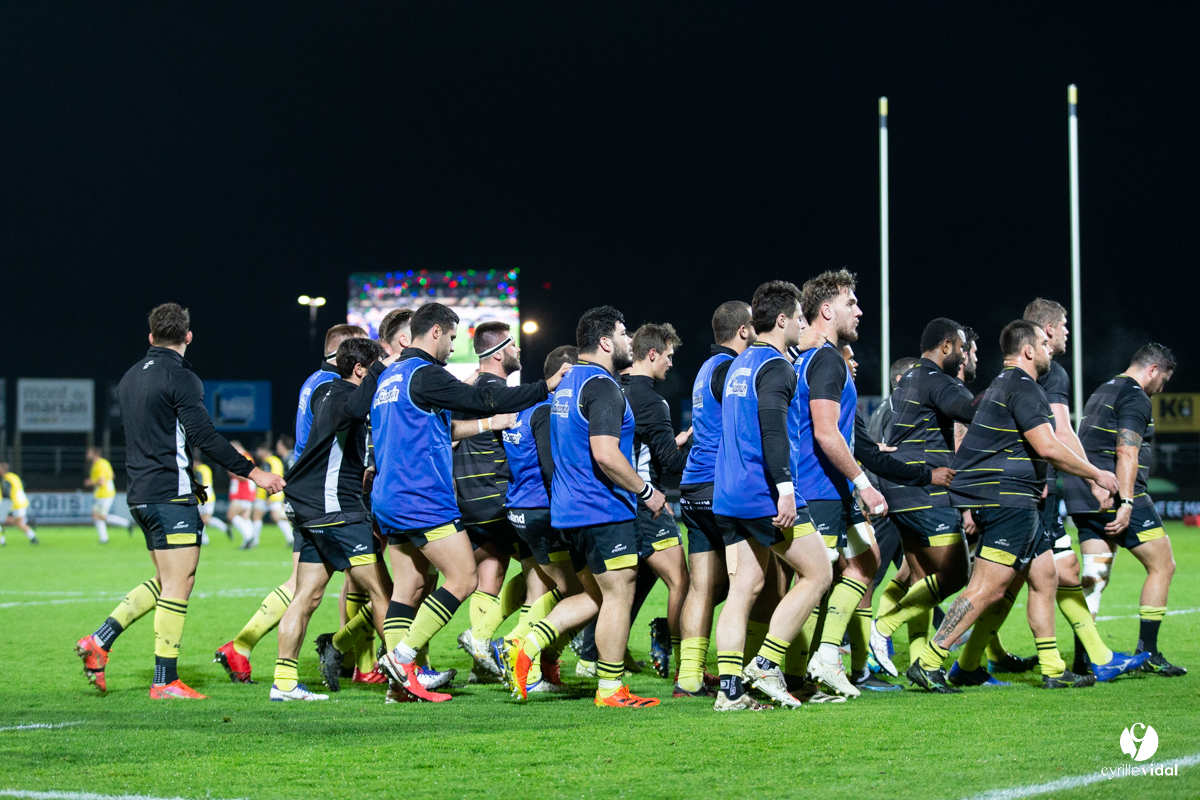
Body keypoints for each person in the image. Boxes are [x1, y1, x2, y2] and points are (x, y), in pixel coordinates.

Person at [74, 303, 284, 698]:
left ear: (150, 336)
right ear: (188, 336)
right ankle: (164, 680)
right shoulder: (181, 376)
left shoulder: (130, 377)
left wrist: (189, 478)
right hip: (169, 496)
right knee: (179, 584)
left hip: (140, 494)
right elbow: (204, 436)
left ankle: (99, 641)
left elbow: (157, 438)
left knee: (165, 581)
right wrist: (253, 472)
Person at [906, 320, 1119, 692]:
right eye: (1044, 344)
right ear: (1028, 351)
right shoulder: (1023, 386)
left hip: (1015, 500)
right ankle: (929, 660)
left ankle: (1053, 668)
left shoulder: (1000, 385)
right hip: (1007, 500)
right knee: (987, 588)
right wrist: (1096, 474)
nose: (1050, 349)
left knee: (1045, 577)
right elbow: (1048, 446)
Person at [373, 302, 567, 702]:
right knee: (464, 579)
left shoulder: (390, 376)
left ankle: (399, 686)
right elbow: (484, 398)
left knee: (408, 587)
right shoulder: (425, 372)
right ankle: (402, 659)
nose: (452, 347)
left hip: (389, 497)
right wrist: (545, 387)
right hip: (422, 497)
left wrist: (487, 424)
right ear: (436, 332)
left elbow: (442, 428)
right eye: (451, 338)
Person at [506, 305, 668, 708]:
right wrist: (646, 491)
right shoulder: (601, 386)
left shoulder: (568, 382)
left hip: (569, 511)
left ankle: (527, 644)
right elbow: (606, 453)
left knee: (595, 596)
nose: (630, 340)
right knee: (619, 594)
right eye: (624, 333)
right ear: (606, 342)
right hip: (602, 509)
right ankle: (611, 689)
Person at [214, 323, 367, 683]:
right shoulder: (334, 385)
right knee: (358, 583)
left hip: (307, 490)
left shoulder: (313, 380)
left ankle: (241, 646)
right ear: (344, 352)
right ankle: (366, 663)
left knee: (304, 587)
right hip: (322, 494)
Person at [1011, 298, 1149, 683]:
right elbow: (1061, 432)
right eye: (1064, 325)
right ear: (1048, 330)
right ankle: (930, 652)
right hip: (1032, 489)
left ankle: (1096, 657)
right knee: (998, 584)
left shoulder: (1016, 371)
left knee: (1055, 573)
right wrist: (1095, 478)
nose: (1067, 332)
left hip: (1025, 486)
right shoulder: (1051, 372)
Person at [710, 281, 833, 711]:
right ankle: (766, 664)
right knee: (818, 574)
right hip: (761, 492)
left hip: (727, 494)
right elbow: (773, 430)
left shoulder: (740, 363)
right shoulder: (777, 366)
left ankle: (729, 690)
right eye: (798, 317)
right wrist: (784, 489)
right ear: (782, 320)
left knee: (744, 587)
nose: (803, 324)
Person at [269, 337, 395, 701]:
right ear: (360, 369)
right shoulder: (343, 395)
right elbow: (352, 410)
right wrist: (382, 368)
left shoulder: (325, 391)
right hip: (335, 507)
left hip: (310, 506)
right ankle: (405, 675)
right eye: (375, 368)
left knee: (306, 596)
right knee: (382, 592)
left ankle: (284, 682)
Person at [792, 270, 888, 699]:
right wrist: (863, 482)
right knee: (814, 581)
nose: (859, 311)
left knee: (866, 561)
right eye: (852, 303)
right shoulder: (828, 360)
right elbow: (826, 432)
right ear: (827, 310)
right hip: (819, 485)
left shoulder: (812, 356)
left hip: (831, 486)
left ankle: (825, 657)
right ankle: (796, 673)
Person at [1064, 342, 1186, 677]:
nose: (1161, 388)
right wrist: (1128, 502)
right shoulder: (1135, 396)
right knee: (1163, 565)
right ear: (1153, 370)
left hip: (1084, 494)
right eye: (1163, 380)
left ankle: (1084, 658)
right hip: (1116, 492)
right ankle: (1149, 653)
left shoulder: (1103, 389)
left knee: (1095, 575)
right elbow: (1126, 451)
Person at [869, 318, 976, 678]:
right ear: (946, 346)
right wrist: (1003, 395)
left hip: (902, 487)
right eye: (961, 348)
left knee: (921, 578)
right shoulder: (935, 379)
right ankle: (883, 626)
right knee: (956, 574)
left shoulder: (912, 377)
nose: (963, 356)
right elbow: (968, 412)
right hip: (925, 489)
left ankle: (921, 665)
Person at [453, 321, 543, 682]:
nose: (518, 350)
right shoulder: (500, 393)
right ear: (498, 352)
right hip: (498, 499)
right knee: (543, 574)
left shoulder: (465, 392)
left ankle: (480, 666)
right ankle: (525, 667)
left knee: (490, 575)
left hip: (468, 500)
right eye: (513, 345)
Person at [674, 302, 755, 697]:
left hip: (694, 487)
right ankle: (742, 674)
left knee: (701, 587)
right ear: (744, 330)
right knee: (750, 585)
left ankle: (689, 677)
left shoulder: (706, 368)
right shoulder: (731, 370)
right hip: (721, 488)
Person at [498, 345, 582, 693]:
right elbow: (550, 467)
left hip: (519, 509)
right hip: (542, 511)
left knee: (539, 589)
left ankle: (539, 671)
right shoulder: (546, 411)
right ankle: (517, 643)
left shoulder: (523, 407)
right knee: (577, 593)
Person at [619, 322, 691, 679]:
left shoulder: (616, 389)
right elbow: (672, 464)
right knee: (680, 581)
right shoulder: (651, 400)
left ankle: (599, 653)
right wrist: (701, 451)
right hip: (647, 503)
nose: (671, 363)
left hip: (617, 502)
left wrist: (667, 443)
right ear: (652, 354)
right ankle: (683, 665)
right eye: (668, 356)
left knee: (632, 582)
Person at [85, 447, 130, 544]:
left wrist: (90, 482)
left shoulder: (99, 465)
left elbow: (101, 482)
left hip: (104, 494)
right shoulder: (104, 462)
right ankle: (104, 538)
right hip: (105, 493)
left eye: (89, 453)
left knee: (102, 516)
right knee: (96, 515)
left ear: (94, 454)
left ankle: (126, 523)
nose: (87, 454)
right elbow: (112, 475)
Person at [252, 442, 293, 546]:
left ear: (264, 451)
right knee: (276, 517)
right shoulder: (277, 461)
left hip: (266, 495)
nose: (258, 453)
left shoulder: (267, 462)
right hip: (278, 493)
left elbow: (267, 478)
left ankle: (254, 540)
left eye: (259, 451)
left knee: (256, 516)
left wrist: (268, 496)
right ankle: (290, 538)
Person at [191, 453, 229, 542]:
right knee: (202, 519)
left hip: (202, 497)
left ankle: (221, 528)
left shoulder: (198, 470)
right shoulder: (206, 468)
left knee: (203, 519)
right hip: (210, 496)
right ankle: (205, 539)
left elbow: (200, 483)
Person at [226, 442, 258, 547]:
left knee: (231, 516)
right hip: (247, 492)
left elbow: (244, 477)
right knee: (245, 517)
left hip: (242, 492)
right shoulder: (247, 456)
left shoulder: (244, 458)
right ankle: (249, 540)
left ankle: (249, 537)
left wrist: (231, 471)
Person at [0, 464, 38, 545]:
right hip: (21, 501)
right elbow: (23, 484)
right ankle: (32, 536)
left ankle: (1, 541)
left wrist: (5, 506)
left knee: (6, 520)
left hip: (13, 503)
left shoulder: (6, 479)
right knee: (19, 523)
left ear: (2, 470)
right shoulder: (14, 476)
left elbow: (6, 492)